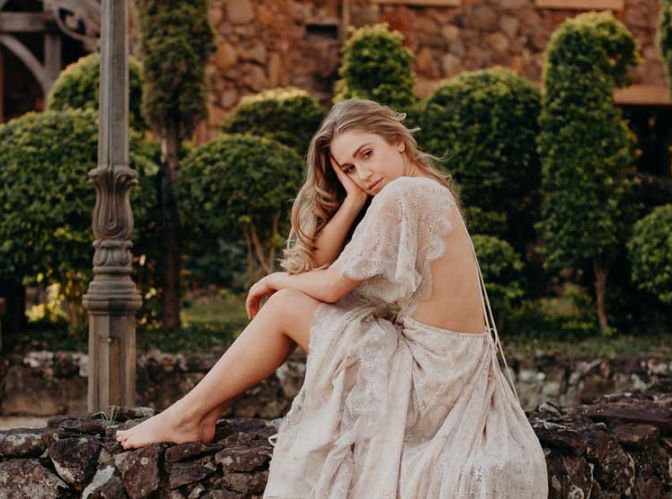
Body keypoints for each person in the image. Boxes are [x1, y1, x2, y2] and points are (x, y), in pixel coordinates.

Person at [115, 98, 549, 498]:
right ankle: (193, 415)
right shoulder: (424, 190)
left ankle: (190, 416)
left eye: (367, 154)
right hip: (455, 379)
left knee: (285, 304)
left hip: (429, 387)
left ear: (397, 141)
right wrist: (355, 199)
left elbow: (329, 284)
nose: (364, 174)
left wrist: (272, 282)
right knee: (295, 299)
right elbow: (316, 268)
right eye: (350, 168)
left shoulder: (405, 195)